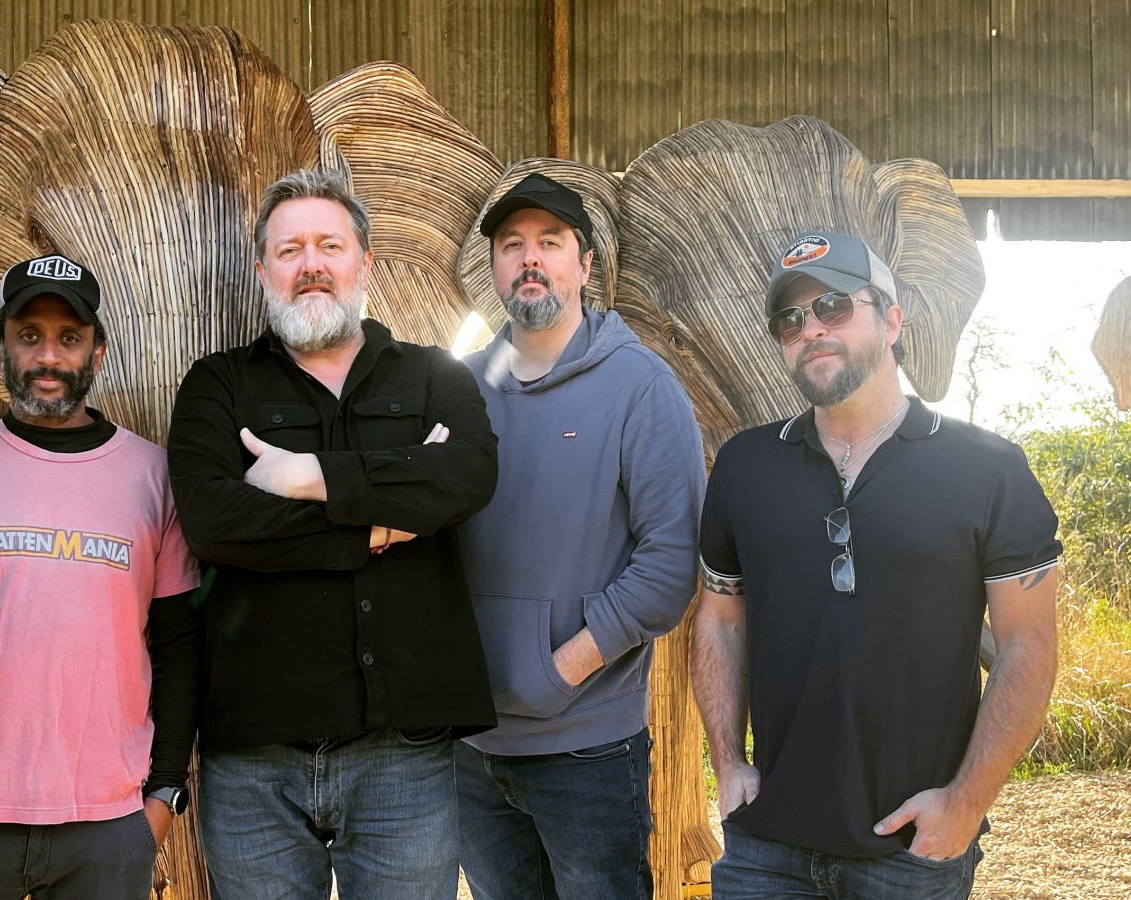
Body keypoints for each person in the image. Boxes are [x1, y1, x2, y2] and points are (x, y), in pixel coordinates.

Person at [691, 230, 1061, 899]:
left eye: (833, 306)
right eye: (790, 319)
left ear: (892, 321)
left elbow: (1027, 646)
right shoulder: (745, 466)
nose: (811, 328)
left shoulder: (987, 469)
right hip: (765, 843)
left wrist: (964, 805)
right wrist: (728, 764)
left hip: (911, 850)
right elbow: (720, 619)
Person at [166, 167, 498, 900]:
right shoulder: (218, 386)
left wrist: (306, 474)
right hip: (254, 759)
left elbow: (466, 476)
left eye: (329, 245)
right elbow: (216, 521)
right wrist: (377, 523)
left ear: (364, 262)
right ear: (263, 272)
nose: (310, 264)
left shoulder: (434, 376)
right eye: (289, 251)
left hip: (405, 754)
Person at [0, 253, 202, 900]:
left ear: (97, 353)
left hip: (108, 825)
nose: (48, 357)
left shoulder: (155, 478)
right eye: (29, 336)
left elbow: (179, 647)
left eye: (68, 338)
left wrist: (164, 795)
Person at [452, 172, 705, 899]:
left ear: (585, 264)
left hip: (587, 748)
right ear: (495, 267)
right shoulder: (458, 391)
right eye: (512, 245)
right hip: (469, 750)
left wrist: (556, 671)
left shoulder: (641, 387)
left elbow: (669, 566)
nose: (530, 258)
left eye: (550, 242)